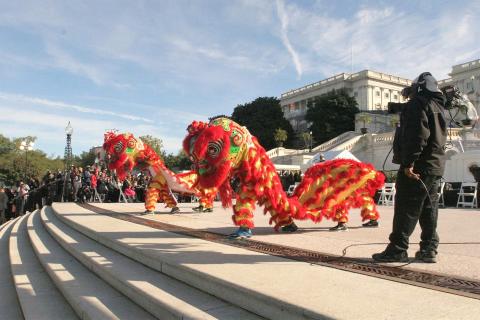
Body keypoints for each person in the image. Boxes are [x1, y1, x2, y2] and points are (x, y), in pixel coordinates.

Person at [373, 72, 447, 263]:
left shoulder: (418, 104)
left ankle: (398, 249)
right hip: (434, 165)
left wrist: (408, 163)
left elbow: (417, 135)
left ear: (419, 88)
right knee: (428, 209)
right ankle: (429, 249)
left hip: (418, 166)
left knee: (406, 206)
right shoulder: (438, 106)